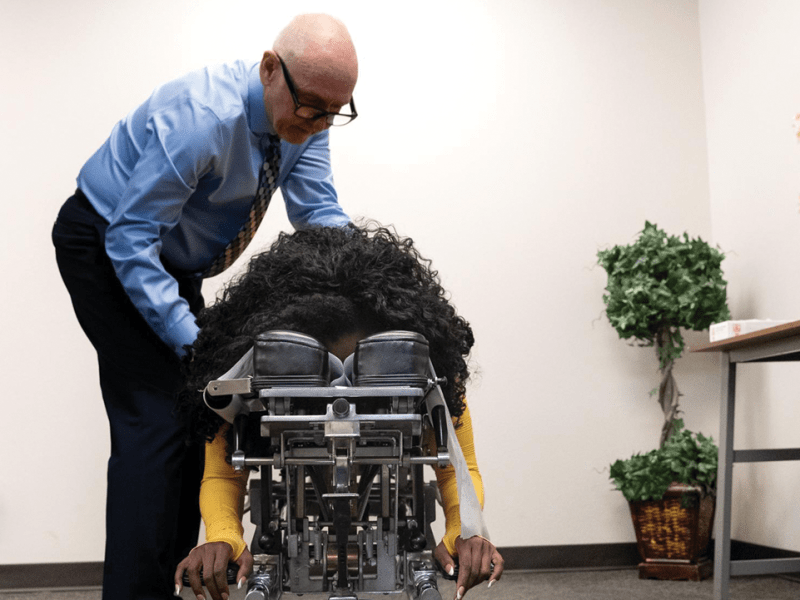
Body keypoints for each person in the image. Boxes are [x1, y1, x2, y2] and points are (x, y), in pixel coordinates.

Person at [51, 14, 358, 600]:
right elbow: (129, 237)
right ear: (271, 69)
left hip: (170, 262)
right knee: (157, 421)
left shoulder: (307, 119)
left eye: (333, 112)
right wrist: (192, 342)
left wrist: (364, 284)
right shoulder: (202, 118)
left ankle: (161, 584)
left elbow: (318, 213)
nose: (318, 124)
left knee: (198, 419)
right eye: (311, 108)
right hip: (106, 245)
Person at [173, 225, 504, 600]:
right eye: (324, 372)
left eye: (359, 370)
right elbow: (222, 474)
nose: (341, 394)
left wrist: (464, 531)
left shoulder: (429, 375)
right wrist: (222, 536)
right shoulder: (247, 373)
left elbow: (458, 468)